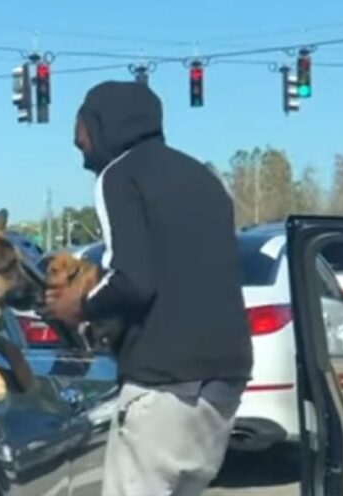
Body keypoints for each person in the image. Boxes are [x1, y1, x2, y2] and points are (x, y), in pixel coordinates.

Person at [43, 81, 253, 496]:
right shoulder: (203, 177)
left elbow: (133, 280)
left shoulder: (119, 175)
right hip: (225, 380)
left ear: (101, 124)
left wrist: (80, 306)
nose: (78, 144)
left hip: (163, 381)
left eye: (81, 129)